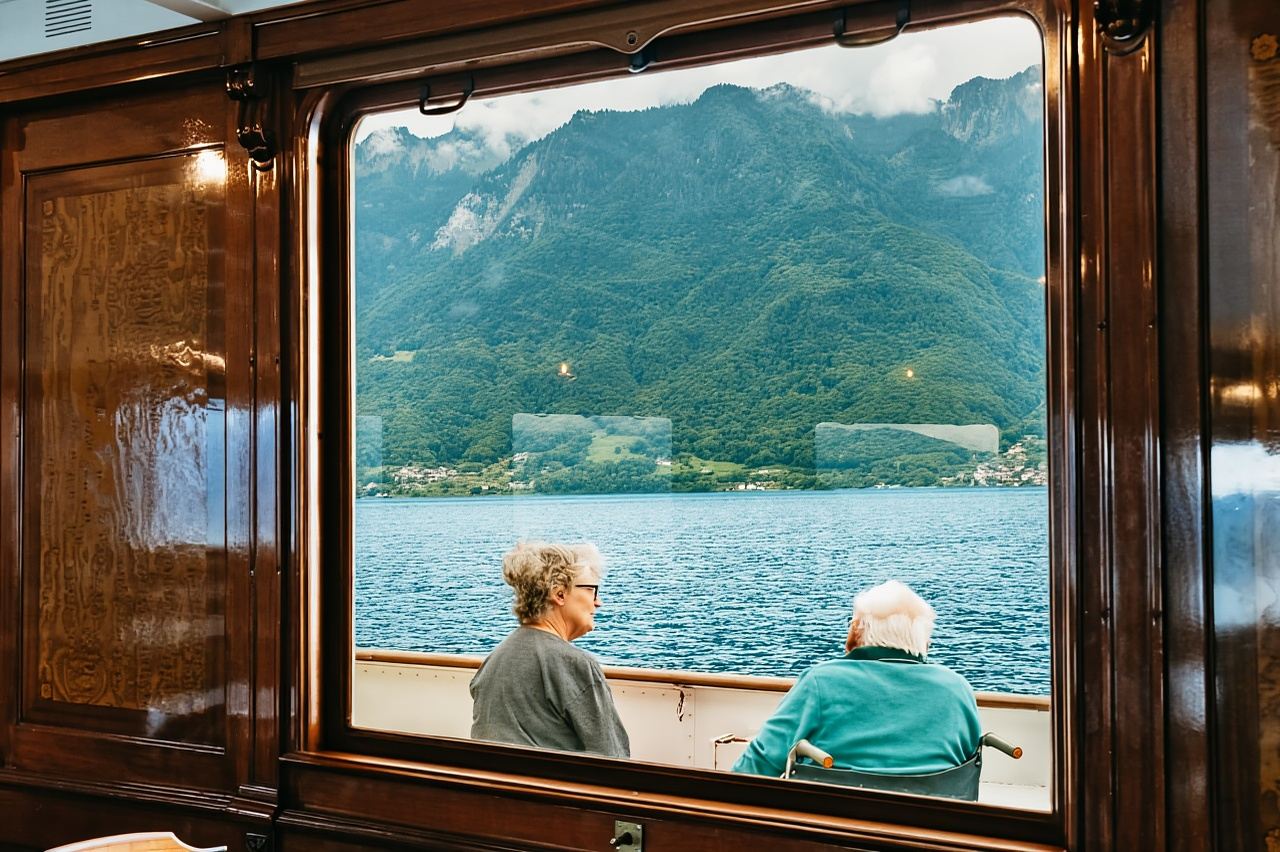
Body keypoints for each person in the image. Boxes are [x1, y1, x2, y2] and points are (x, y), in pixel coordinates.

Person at [732, 580, 979, 778]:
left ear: (855, 632)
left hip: (829, 833)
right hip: (931, 834)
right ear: (923, 640)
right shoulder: (957, 689)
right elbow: (966, 764)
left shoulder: (821, 682)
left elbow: (759, 765)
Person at [470, 540, 630, 758]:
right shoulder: (575, 665)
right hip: (550, 790)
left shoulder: (493, 661)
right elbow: (616, 762)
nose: (598, 602)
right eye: (592, 590)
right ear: (560, 594)